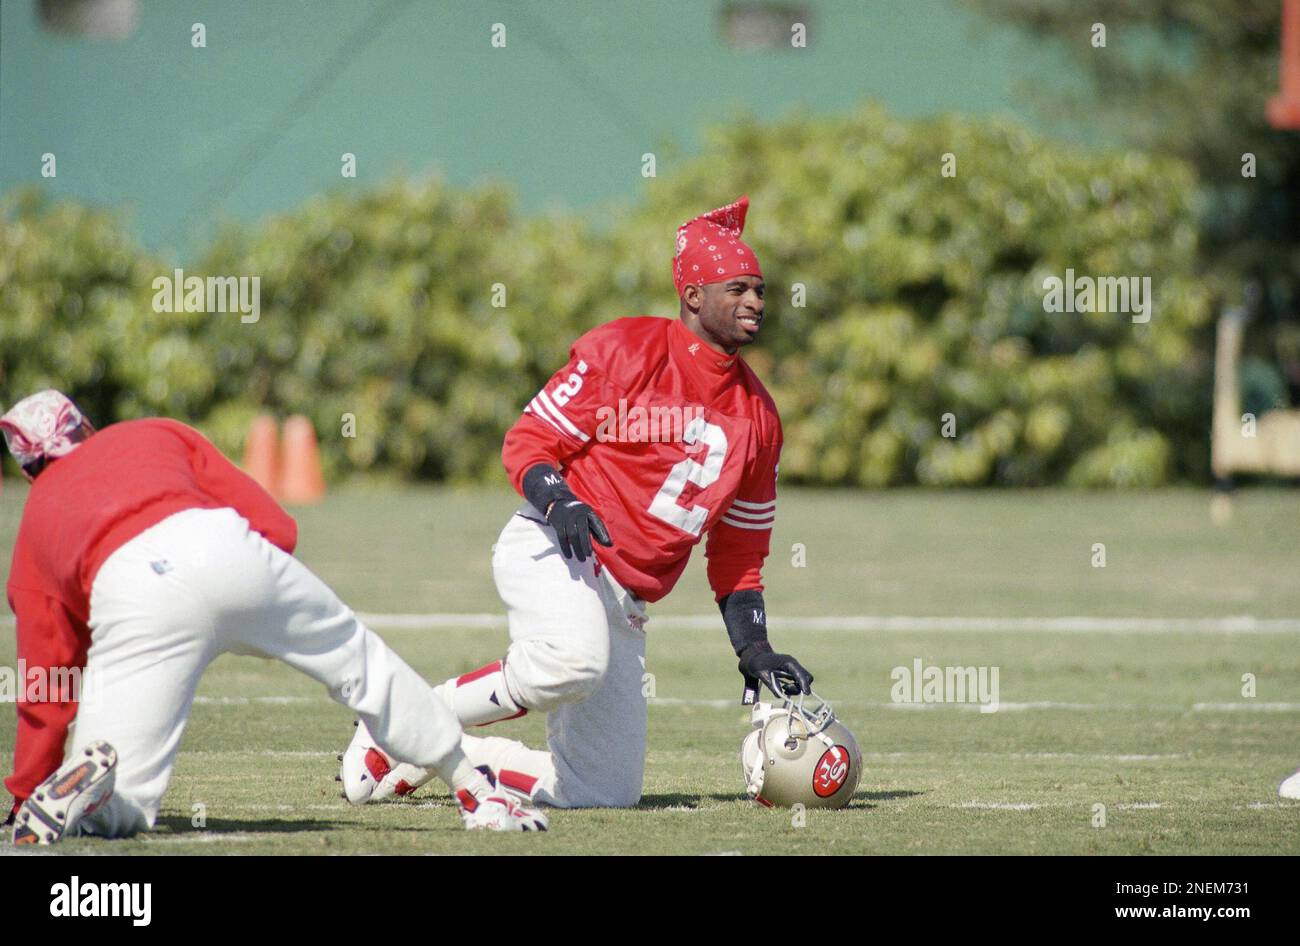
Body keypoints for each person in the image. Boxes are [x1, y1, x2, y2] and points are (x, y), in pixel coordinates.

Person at [343, 196, 813, 808]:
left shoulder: (759, 418)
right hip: (558, 546)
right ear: (693, 296)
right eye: (738, 288)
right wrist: (558, 499)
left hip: (629, 599)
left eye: (760, 290)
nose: (754, 302)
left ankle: (456, 754)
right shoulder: (631, 350)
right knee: (572, 661)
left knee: (603, 792)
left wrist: (754, 650)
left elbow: (739, 554)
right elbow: (528, 441)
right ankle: (405, 721)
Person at [1, 391, 547, 843]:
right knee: (361, 661)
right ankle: (472, 784)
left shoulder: (35, 528)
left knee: (123, 812)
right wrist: (262, 620)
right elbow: (275, 524)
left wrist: (26, 790)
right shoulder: (155, 432)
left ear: (27, 465)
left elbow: (47, 683)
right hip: (224, 546)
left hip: (133, 594)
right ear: (86, 426)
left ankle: (90, 804)